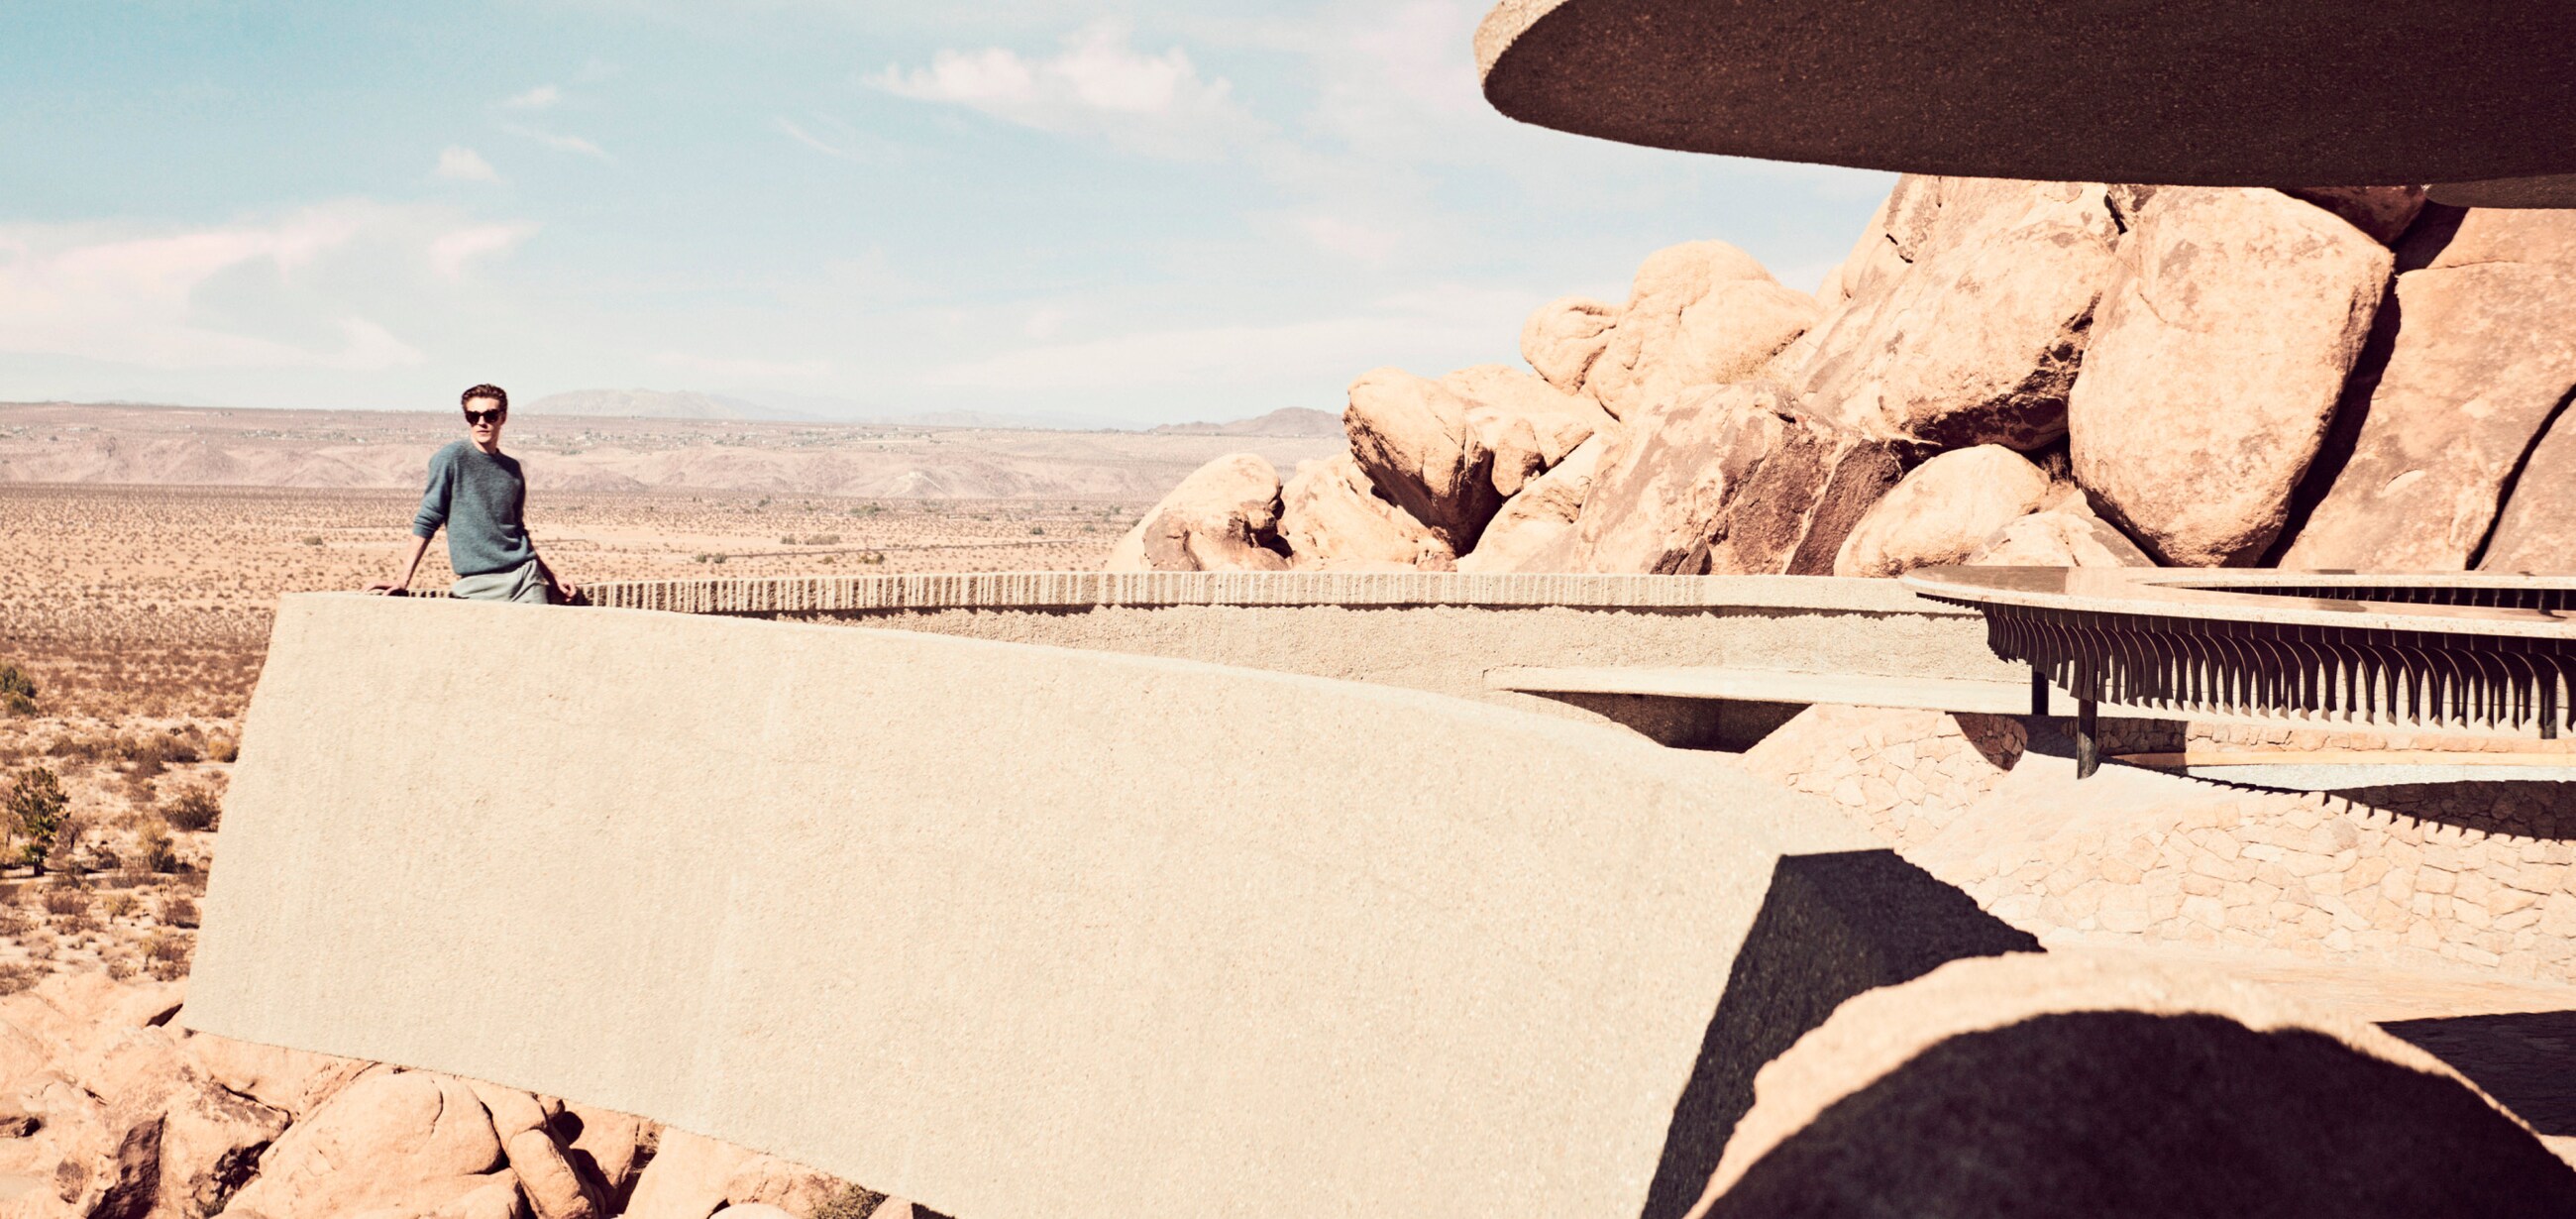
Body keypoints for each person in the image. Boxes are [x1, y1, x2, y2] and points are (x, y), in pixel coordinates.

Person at [368, 385, 580, 604]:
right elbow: (428, 518)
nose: (481, 422)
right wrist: (403, 580)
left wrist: (552, 578)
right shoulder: (451, 458)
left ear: (502, 418)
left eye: (490, 415)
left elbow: (518, 529)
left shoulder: (512, 469)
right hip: (477, 584)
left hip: (526, 579)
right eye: (473, 416)